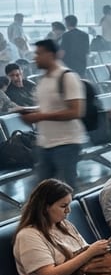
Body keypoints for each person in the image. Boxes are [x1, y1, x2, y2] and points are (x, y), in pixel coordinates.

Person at [22, 39, 85, 188]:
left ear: (50, 55)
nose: (35, 57)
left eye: (39, 54)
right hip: (45, 144)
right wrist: (32, 114)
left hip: (66, 143)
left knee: (63, 193)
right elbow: (47, 108)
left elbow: (76, 111)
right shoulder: (43, 80)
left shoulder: (67, 77)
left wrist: (41, 116)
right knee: (44, 194)